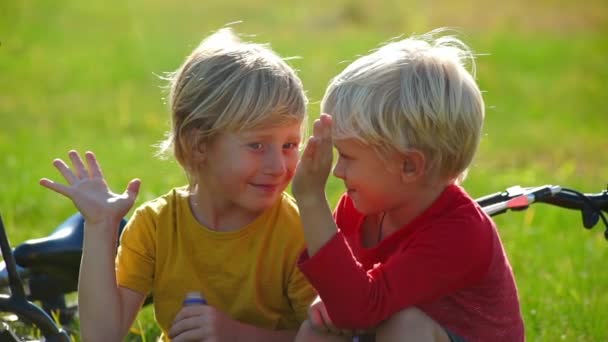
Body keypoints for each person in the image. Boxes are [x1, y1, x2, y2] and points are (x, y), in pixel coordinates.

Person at [40, 27, 316, 341]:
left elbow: (331, 337)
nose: (279, 166)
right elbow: (102, 335)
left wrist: (238, 335)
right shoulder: (156, 227)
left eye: (290, 145)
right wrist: (101, 227)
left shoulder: (299, 232)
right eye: (257, 146)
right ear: (198, 144)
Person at [292, 29, 525, 342]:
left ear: (409, 165)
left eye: (347, 156)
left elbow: (362, 307)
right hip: (383, 325)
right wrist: (331, 301)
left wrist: (311, 200)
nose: (338, 170)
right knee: (316, 331)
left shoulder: (460, 234)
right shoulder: (360, 207)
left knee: (405, 328)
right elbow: (349, 298)